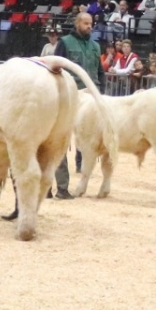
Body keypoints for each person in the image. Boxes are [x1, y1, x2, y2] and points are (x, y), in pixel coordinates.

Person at [53, 11, 102, 197]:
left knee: (90, 136)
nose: (89, 26)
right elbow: (56, 70)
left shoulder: (96, 45)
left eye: (91, 23)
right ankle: (59, 186)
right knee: (60, 139)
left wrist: (100, 92)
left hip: (92, 97)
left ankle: (82, 168)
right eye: (86, 23)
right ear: (77, 23)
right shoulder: (64, 42)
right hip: (71, 95)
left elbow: (100, 72)